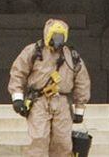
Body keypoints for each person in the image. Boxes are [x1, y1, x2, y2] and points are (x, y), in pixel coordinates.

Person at [8, 18, 91, 156]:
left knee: (63, 142)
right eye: (55, 36)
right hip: (39, 101)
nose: (57, 40)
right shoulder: (33, 51)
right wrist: (17, 97)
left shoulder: (72, 56)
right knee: (39, 140)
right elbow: (18, 73)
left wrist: (79, 109)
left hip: (62, 102)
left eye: (60, 37)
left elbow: (82, 82)